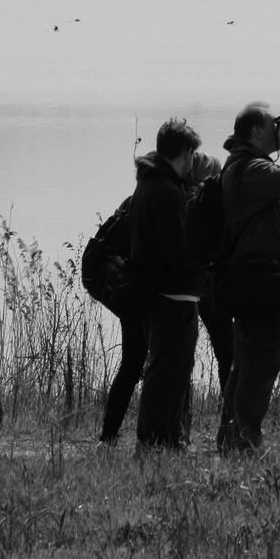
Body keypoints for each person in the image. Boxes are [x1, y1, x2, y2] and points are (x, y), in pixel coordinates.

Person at [99, 150, 234, 445]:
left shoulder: (144, 195)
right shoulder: (185, 203)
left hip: (141, 292)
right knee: (213, 355)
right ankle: (211, 432)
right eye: (210, 179)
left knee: (137, 362)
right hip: (187, 290)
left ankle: (111, 437)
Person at [217, 102, 280, 453]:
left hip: (253, 283)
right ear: (256, 131)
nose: (276, 126)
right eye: (271, 124)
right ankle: (245, 440)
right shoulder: (250, 169)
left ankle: (231, 439)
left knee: (246, 363)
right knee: (259, 363)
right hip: (260, 284)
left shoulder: (242, 166)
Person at [127, 118, 207, 450]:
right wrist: (207, 261)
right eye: (192, 155)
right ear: (187, 154)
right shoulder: (167, 190)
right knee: (168, 374)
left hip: (155, 293)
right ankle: (157, 442)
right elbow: (177, 250)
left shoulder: (147, 183)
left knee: (163, 370)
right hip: (173, 295)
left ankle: (161, 439)